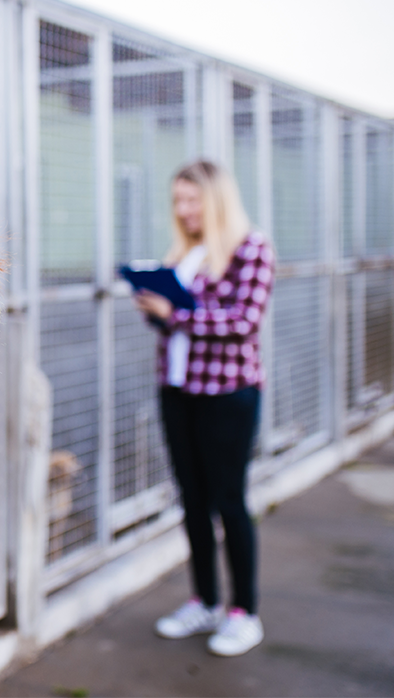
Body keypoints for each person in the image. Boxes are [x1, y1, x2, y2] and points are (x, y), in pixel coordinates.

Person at [132, 159, 273, 657]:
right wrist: (156, 310)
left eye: (192, 200)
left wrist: (179, 313)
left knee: (229, 502)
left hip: (227, 394)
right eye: (177, 200)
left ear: (215, 200)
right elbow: (177, 327)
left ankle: (244, 613)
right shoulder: (184, 251)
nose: (184, 209)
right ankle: (206, 601)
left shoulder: (250, 248)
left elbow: (244, 321)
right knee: (192, 500)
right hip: (178, 391)